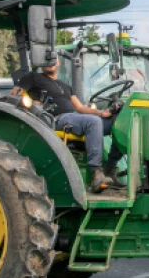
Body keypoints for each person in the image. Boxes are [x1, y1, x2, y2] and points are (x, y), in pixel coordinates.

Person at [13, 58, 124, 192]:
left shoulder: (65, 86)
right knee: (92, 122)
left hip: (76, 117)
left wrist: (102, 113)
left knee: (119, 124)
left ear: (59, 62)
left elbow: (81, 108)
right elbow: (14, 95)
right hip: (56, 118)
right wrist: (34, 106)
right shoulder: (33, 77)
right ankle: (96, 173)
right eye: (46, 59)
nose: (50, 61)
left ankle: (109, 168)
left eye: (54, 59)